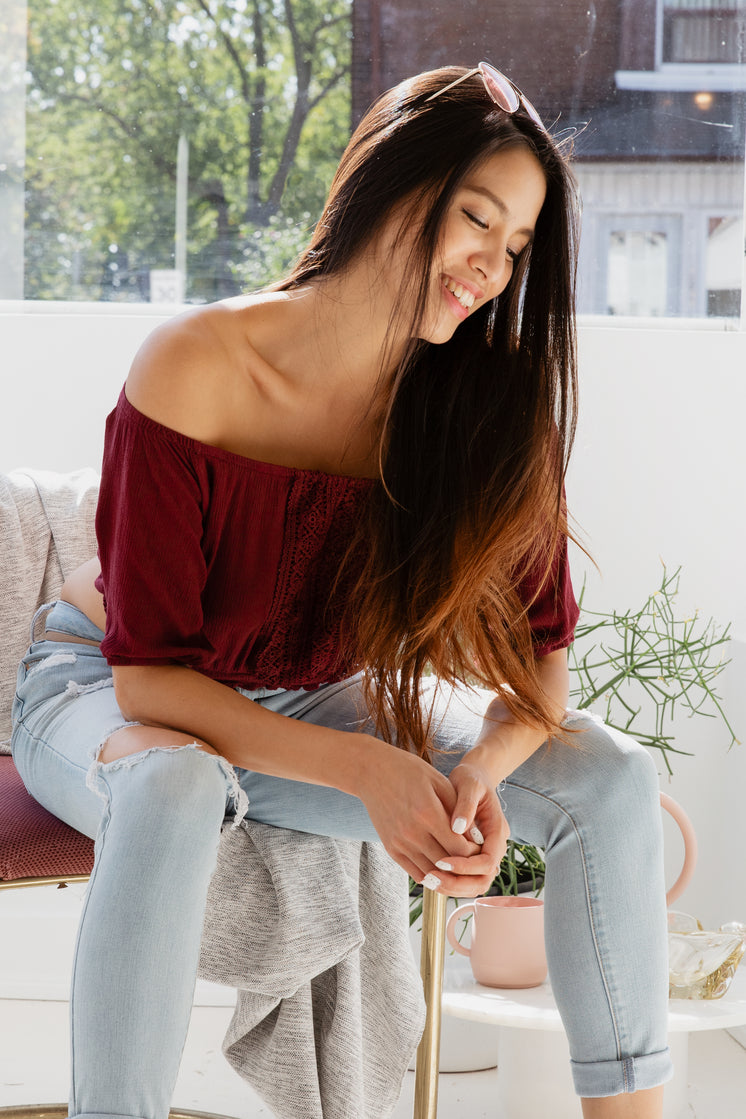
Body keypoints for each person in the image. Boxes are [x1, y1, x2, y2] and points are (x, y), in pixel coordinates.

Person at [11, 64, 672, 1118]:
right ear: (388, 185)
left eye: (514, 248)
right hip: (106, 688)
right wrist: (366, 767)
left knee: (608, 777)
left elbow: (542, 661)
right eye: (474, 220)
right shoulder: (199, 362)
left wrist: (473, 782)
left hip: (309, 693)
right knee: (176, 783)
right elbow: (149, 682)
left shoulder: (484, 408)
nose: (490, 267)